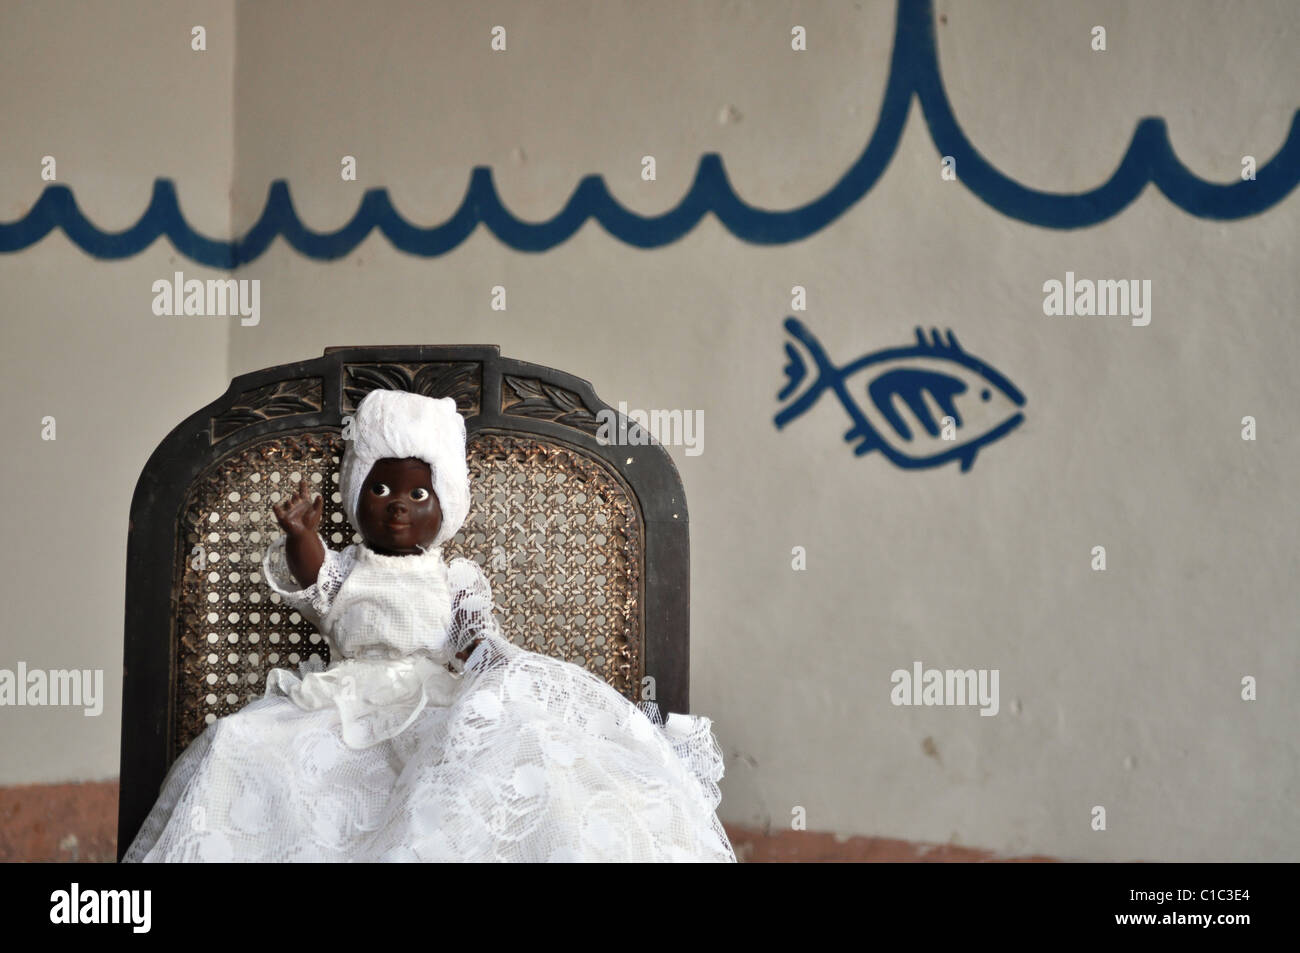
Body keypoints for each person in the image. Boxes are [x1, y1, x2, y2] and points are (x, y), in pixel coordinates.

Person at [124, 389, 736, 862]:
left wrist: (493, 671)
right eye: (382, 487)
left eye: (419, 494)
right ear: (356, 495)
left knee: (467, 777)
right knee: (246, 750)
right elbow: (314, 585)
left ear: (445, 506)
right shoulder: (347, 570)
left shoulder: (456, 578)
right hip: (339, 702)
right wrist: (303, 536)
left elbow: (473, 636)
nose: (398, 504)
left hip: (429, 704)